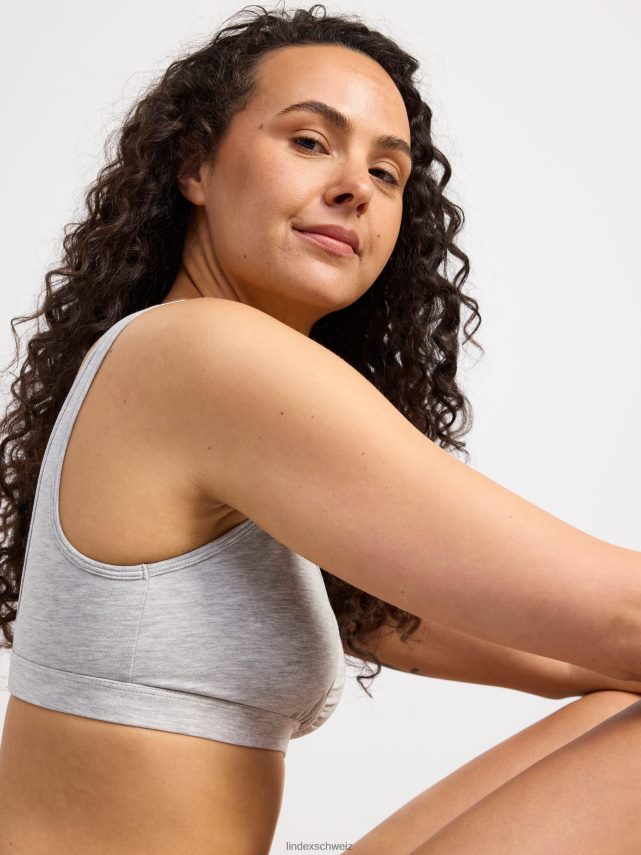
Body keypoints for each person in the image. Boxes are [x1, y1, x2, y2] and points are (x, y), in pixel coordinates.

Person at [1, 4, 641, 854]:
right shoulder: (200, 352)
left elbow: (579, 654)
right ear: (193, 165)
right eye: (309, 142)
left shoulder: (224, 425)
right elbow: (622, 616)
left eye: (387, 172)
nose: (355, 187)